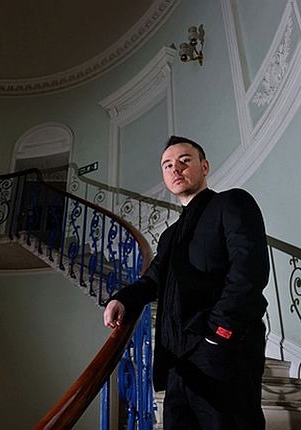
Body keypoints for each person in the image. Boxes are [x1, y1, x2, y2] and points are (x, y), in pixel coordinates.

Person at [103, 136, 270, 429]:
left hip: (221, 354)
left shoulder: (231, 202)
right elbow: (153, 280)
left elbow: (249, 271)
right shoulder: (170, 235)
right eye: (167, 165)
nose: (175, 169)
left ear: (204, 167)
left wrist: (218, 334)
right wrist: (122, 299)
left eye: (184, 160)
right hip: (177, 365)